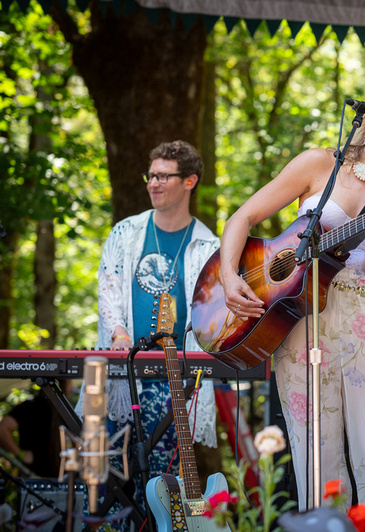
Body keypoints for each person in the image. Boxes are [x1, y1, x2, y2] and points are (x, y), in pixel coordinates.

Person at [219, 81, 365, 531]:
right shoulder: (319, 163)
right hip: (298, 321)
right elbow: (242, 218)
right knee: (313, 452)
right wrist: (227, 276)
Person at [76, 140, 220, 522]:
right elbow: (108, 289)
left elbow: (212, 314)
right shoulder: (125, 233)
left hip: (173, 376)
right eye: (150, 175)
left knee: (162, 483)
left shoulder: (209, 245)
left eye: (163, 176)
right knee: (108, 478)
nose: (153, 183)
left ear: (189, 181)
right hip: (118, 374)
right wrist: (119, 332)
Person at [0, 381, 69, 478]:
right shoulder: (32, 406)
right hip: (34, 478)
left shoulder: (68, 410)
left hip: (62, 479)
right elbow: (3, 429)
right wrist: (21, 454)